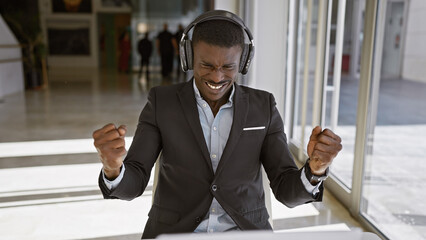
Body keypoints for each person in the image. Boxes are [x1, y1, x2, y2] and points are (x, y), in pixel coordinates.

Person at [93, 10, 342, 239]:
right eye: (207, 65)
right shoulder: (162, 102)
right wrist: (113, 168)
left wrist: (315, 170)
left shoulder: (262, 106)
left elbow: (286, 190)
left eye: (228, 67)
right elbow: (134, 181)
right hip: (177, 233)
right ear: (188, 57)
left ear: (243, 63)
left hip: (244, 233)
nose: (217, 76)